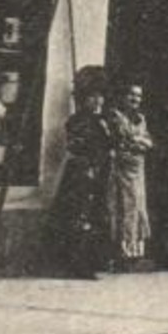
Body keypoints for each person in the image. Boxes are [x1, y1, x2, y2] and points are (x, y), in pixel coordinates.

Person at [49, 66, 113, 279]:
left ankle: (92, 261)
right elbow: (75, 147)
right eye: (93, 97)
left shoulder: (103, 122)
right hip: (81, 173)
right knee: (79, 215)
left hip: (99, 171)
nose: (98, 102)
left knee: (94, 214)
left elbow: (109, 145)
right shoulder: (76, 121)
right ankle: (76, 264)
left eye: (101, 97)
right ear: (84, 98)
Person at [105, 83, 153, 270]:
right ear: (123, 96)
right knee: (122, 206)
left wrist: (141, 142)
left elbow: (148, 140)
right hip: (121, 168)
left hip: (137, 167)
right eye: (132, 95)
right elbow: (124, 138)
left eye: (139, 96)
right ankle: (120, 252)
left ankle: (134, 252)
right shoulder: (116, 116)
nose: (135, 99)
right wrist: (139, 142)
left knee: (138, 205)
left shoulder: (140, 118)